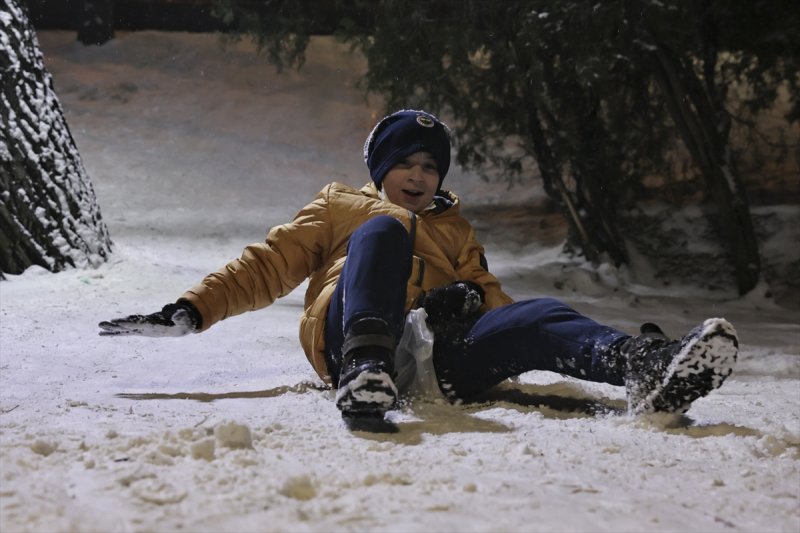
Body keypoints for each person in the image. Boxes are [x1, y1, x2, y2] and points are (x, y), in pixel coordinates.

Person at [99, 109, 739, 420]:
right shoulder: (343, 207)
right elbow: (265, 265)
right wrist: (192, 308)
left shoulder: (456, 230)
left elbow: (494, 301)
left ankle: (643, 368)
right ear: (382, 169)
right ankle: (365, 373)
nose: (418, 175)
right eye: (405, 162)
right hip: (349, 342)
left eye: (429, 166)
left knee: (539, 313)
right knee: (383, 231)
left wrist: (467, 309)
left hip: (431, 360)